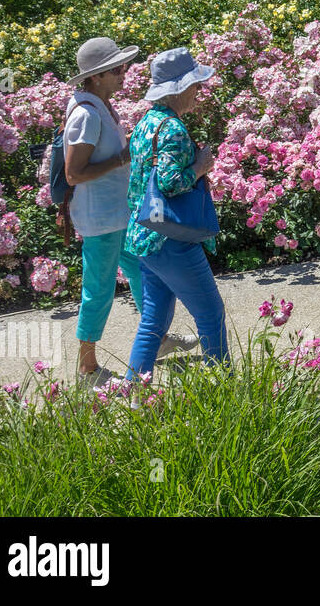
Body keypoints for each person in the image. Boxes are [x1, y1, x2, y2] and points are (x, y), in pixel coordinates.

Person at [65, 38, 199, 385]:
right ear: (95, 77)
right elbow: (74, 173)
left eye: (124, 67)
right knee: (99, 289)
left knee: (143, 274)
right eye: (116, 70)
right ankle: (87, 366)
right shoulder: (86, 114)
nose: (125, 74)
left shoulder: (102, 107)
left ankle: (157, 340)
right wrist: (123, 159)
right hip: (100, 219)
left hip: (120, 211)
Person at [125, 47, 228, 378]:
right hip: (173, 239)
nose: (199, 91)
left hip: (146, 235)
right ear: (179, 88)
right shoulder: (172, 129)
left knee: (153, 320)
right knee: (211, 314)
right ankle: (222, 391)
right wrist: (200, 167)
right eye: (196, 85)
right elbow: (171, 183)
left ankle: (132, 392)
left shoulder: (146, 124)